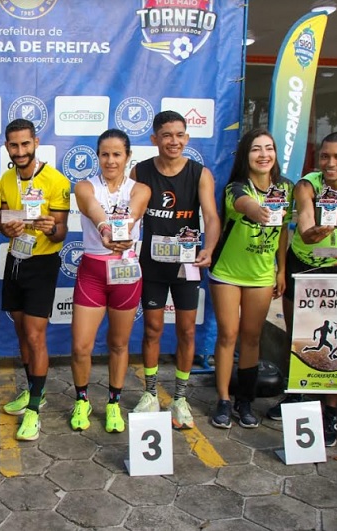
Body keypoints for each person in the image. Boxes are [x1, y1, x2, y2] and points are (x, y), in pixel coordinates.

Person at [269, 132, 337, 447]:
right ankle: (297, 397)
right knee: (298, 339)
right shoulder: (308, 184)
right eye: (325, 157)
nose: (331, 163)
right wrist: (310, 232)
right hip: (301, 266)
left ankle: (330, 412)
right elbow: (304, 219)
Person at [130, 110, 221, 430]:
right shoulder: (139, 171)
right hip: (152, 264)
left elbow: (210, 216)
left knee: (186, 330)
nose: (174, 141)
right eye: (167, 135)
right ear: (154, 139)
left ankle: (181, 398)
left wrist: (208, 248)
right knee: (152, 329)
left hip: (187, 265)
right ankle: (151, 393)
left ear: (187, 137)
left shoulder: (199, 173)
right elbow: (124, 213)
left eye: (180, 135)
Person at [208, 129, 293, 430]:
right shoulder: (235, 188)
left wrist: (281, 270)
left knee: (252, 338)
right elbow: (245, 204)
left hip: (261, 275)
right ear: (246, 155)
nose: (263, 154)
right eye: (256, 149)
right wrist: (258, 209)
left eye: (269, 148)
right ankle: (223, 399)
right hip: (228, 274)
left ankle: (245, 400)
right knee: (228, 335)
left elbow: (283, 231)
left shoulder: (287, 188)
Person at [70, 129, 150, 433]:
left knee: (118, 343)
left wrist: (123, 229)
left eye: (117, 154)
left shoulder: (139, 188)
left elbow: (137, 209)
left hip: (126, 274)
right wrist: (106, 228)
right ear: (98, 156)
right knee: (81, 346)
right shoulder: (85, 185)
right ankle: (82, 399)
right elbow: (92, 207)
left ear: (128, 156)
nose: (111, 160)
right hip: (93, 272)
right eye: (105, 154)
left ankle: (114, 403)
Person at [0, 118, 70, 441]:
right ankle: (31, 390)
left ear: (36, 143)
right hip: (15, 260)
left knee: (34, 333)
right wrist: (8, 228)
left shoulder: (56, 180)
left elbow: (61, 233)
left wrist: (49, 228)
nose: (20, 151)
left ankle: (34, 411)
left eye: (25, 144)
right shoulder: (5, 180)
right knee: (20, 329)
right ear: (7, 148)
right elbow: (3, 223)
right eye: (14, 145)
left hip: (42, 263)